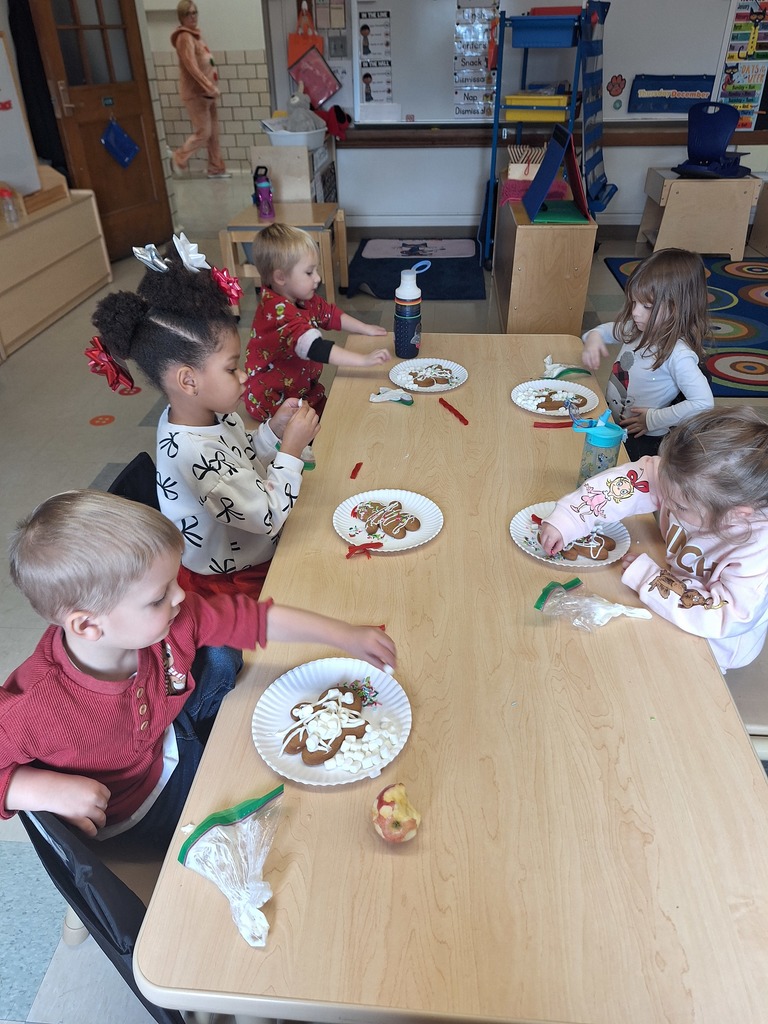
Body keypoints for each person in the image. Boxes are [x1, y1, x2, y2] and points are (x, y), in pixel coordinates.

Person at [1, 490, 397, 847]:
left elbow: (251, 619)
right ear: (88, 625)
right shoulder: (37, 705)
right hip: (142, 808)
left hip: (168, 735)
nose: (181, 595)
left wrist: (344, 635)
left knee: (226, 656)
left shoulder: (169, 618)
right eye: (159, 597)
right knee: (279, 813)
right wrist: (32, 789)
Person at [91, 237, 319, 600]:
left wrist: (273, 432)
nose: (244, 376)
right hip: (231, 580)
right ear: (188, 380)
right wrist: (290, 451)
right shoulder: (192, 454)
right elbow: (266, 516)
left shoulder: (203, 415)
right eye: (231, 368)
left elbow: (239, 457)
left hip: (249, 550)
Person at [538, 407, 768, 672]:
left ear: (735, 515)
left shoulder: (758, 551)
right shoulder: (687, 481)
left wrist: (652, 578)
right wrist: (568, 519)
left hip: (716, 643)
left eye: (679, 507)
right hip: (672, 592)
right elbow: (627, 485)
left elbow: (722, 616)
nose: (664, 503)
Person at [244, 223, 390, 422]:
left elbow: (330, 314)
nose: (318, 278)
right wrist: (362, 361)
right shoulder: (278, 313)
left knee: (333, 416)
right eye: (309, 272)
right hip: (273, 400)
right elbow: (315, 347)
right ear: (280, 277)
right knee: (318, 430)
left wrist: (365, 328)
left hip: (302, 388)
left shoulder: (301, 296)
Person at [582, 247, 713, 460]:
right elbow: (605, 330)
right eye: (634, 302)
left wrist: (652, 419)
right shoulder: (638, 329)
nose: (635, 312)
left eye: (647, 305)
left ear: (678, 307)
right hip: (615, 423)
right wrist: (594, 339)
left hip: (643, 439)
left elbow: (703, 403)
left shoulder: (678, 355)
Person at [169, 0, 230, 179]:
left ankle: (216, 167)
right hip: (197, 94)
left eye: (195, 12)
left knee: (213, 133)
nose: (193, 16)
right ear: (182, 17)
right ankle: (179, 157)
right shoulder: (184, 37)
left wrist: (210, 88)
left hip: (206, 95)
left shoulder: (195, 36)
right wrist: (209, 86)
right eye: (189, 13)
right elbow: (191, 67)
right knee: (204, 132)